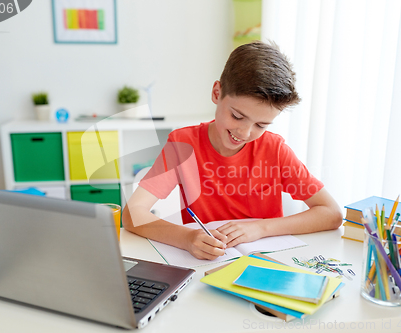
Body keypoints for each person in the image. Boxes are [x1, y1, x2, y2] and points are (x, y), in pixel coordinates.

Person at [123, 41, 342, 260]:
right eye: (237, 116)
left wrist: (260, 228)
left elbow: (331, 213)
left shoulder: (274, 150)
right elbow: (133, 213)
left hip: (268, 262)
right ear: (217, 93)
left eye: (261, 125)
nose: (245, 133)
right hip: (207, 264)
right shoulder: (183, 144)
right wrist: (187, 238)